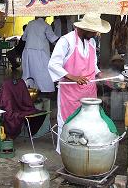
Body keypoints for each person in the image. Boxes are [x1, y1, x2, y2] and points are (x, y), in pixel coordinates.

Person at [48, 13, 111, 153]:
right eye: (93, 30)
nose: (95, 33)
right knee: (68, 122)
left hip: (89, 91)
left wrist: (99, 74)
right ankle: (65, 154)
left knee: (88, 122)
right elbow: (53, 65)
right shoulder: (66, 41)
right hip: (70, 93)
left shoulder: (92, 42)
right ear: (85, 28)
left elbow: (93, 65)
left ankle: (83, 153)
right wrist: (73, 77)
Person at [22, 17, 59, 93]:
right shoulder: (46, 25)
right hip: (40, 52)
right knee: (43, 71)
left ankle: (28, 88)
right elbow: (53, 38)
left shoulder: (30, 23)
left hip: (28, 51)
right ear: (45, 17)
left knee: (28, 71)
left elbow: (24, 38)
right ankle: (45, 89)